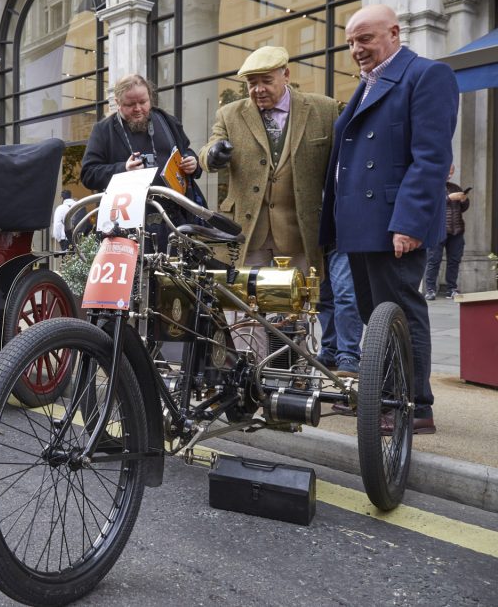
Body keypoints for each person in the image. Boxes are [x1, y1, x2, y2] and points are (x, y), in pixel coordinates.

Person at [320, 4, 459, 436]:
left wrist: (411, 224)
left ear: (394, 33)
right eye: (349, 42)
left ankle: (417, 406)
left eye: (365, 38)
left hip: (394, 225)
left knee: (400, 310)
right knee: (375, 315)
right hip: (361, 226)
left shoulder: (426, 75)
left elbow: (431, 158)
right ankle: (385, 395)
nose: (356, 49)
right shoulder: (368, 84)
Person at [197, 46, 361, 376]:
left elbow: (350, 153)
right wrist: (213, 154)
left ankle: (294, 378)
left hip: (300, 231)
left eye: (265, 81)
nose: (258, 90)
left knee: (295, 308)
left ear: (286, 75)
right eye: (251, 83)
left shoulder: (324, 109)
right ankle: (250, 378)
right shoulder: (230, 114)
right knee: (245, 307)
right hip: (249, 231)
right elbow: (207, 150)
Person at [80, 74, 203, 249]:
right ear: (118, 103)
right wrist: (123, 169)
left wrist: (193, 162)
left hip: (174, 221)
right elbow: (88, 174)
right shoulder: (103, 130)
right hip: (126, 228)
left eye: (143, 102)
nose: (138, 108)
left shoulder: (167, 121)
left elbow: (186, 151)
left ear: (150, 98)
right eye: (130, 105)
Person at [424, 164, 469, 300]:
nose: (449, 175)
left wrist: (464, 200)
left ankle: (451, 289)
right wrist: (449, 198)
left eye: (451, 172)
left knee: (454, 261)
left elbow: (463, 208)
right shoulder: (432, 186)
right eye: (447, 172)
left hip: (456, 231)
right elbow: (429, 206)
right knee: (433, 260)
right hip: (438, 230)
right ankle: (430, 290)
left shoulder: (455, 187)